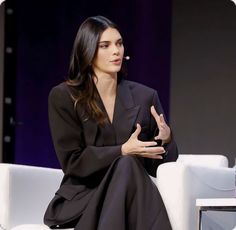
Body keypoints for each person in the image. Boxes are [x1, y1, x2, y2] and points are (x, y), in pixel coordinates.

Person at [44, 15, 178, 230]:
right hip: (85, 198)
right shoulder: (64, 96)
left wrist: (166, 139)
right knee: (126, 162)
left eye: (119, 43)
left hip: (131, 196)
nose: (116, 51)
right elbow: (73, 162)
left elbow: (161, 168)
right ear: (87, 51)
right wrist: (123, 150)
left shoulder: (146, 97)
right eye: (105, 46)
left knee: (129, 165)